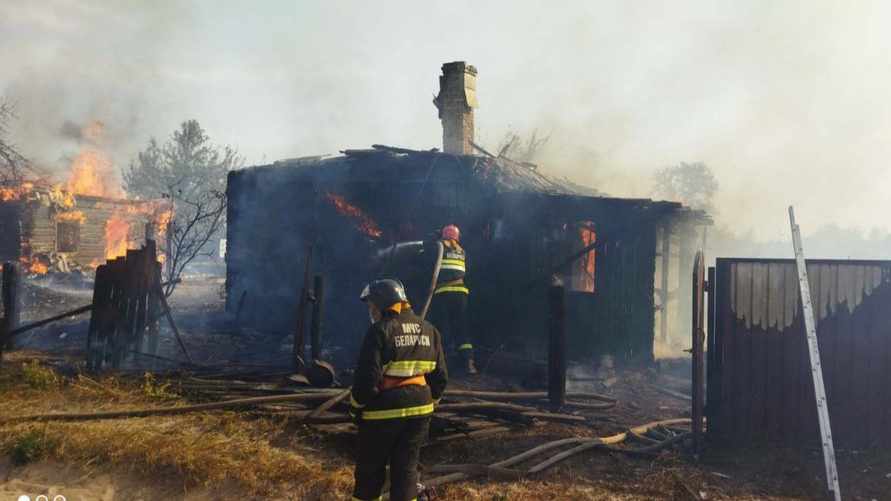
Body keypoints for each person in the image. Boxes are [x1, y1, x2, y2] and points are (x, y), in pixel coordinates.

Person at [350, 279, 448, 501]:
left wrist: (355, 409)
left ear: (383, 304)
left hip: (382, 414)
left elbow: (366, 382)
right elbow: (441, 378)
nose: (371, 311)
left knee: (369, 473)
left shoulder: (379, 331)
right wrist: (430, 403)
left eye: (372, 306)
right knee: (406, 472)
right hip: (420, 413)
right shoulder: (430, 330)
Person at [429, 224, 477, 375]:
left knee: (443, 328)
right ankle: (469, 363)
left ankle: (444, 364)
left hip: (443, 293)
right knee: (462, 328)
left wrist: (430, 241)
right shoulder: (462, 251)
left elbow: (427, 261)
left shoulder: (439, 246)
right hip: (461, 294)